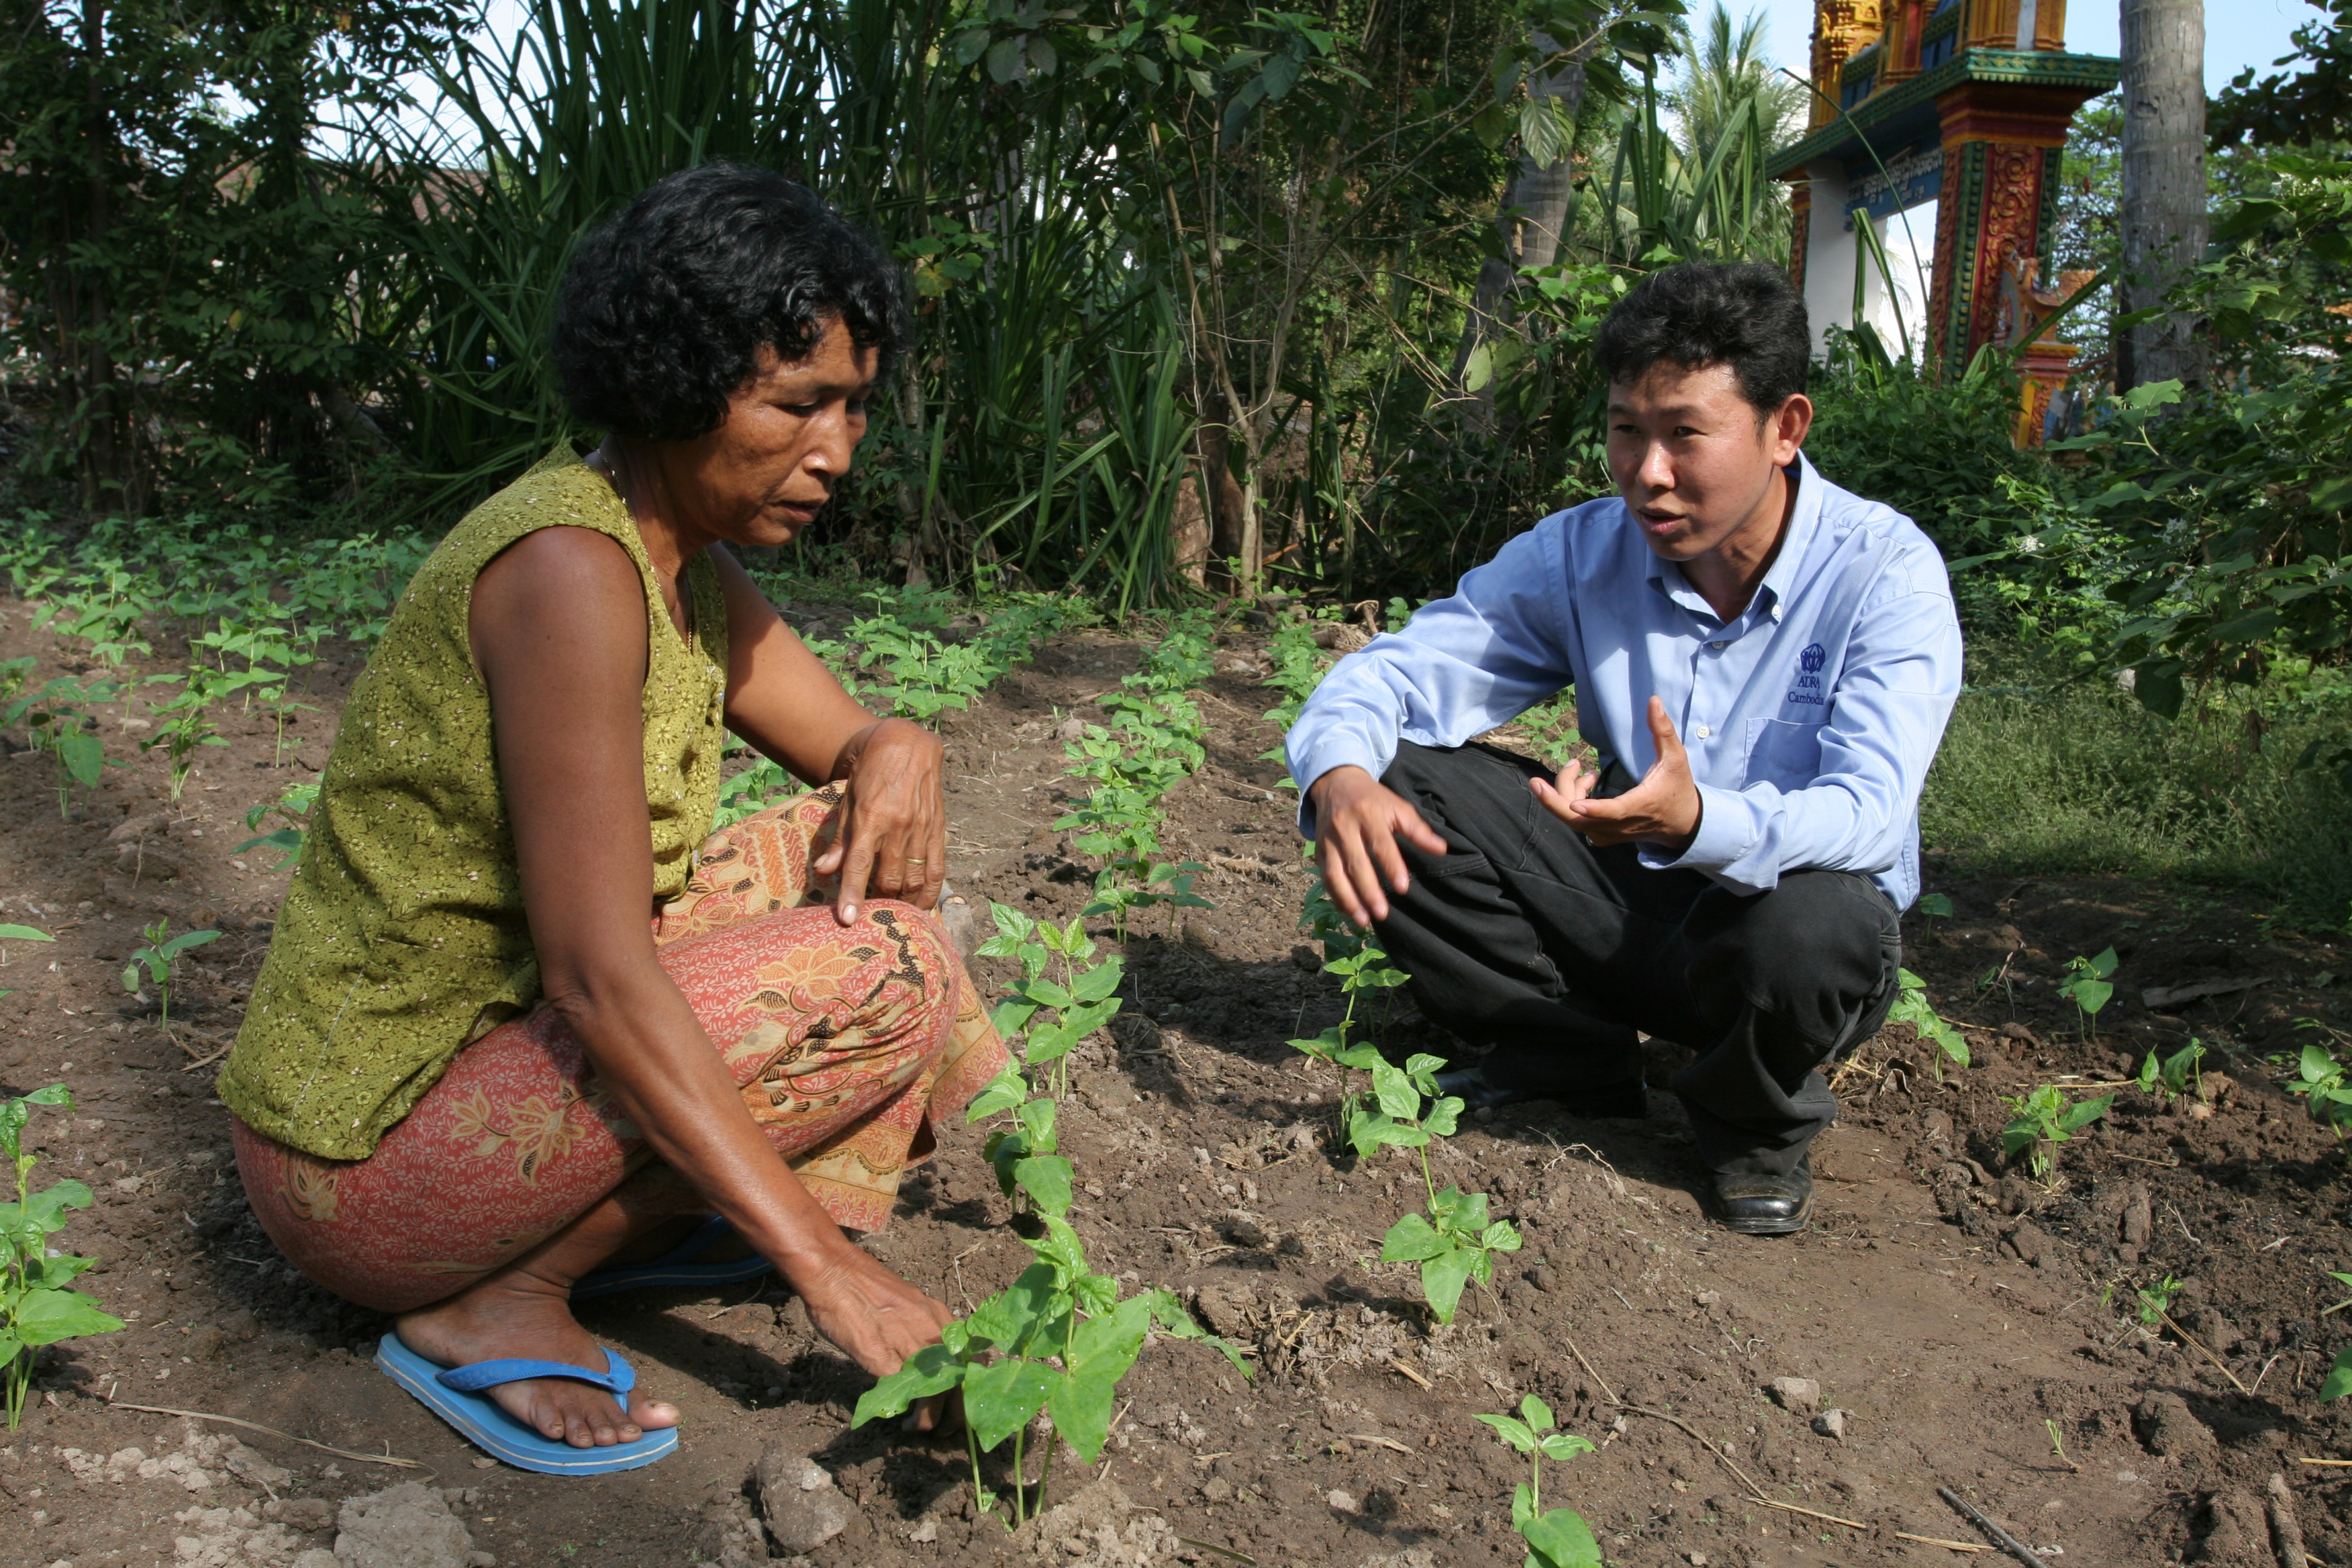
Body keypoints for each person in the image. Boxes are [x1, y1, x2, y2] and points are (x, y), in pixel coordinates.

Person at [216, 164, 1003, 1473]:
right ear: (670, 381)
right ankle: (493, 1294)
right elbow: (594, 974)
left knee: (854, 858)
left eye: (854, 407)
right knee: (888, 967)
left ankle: (627, 1217)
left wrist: (901, 742)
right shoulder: (571, 572)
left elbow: (847, 747)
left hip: (487, 1061)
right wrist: (827, 1276)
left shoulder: (678, 562)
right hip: (357, 1169)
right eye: (797, 402)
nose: (837, 451)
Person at [1285, 261, 1961, 1236]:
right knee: (1390, 779)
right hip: (1623, 896)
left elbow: (1869, 814)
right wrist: (1339, 772)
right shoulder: (1582, 553)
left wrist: (1698, 820)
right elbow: (1401, 671)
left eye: (1686, 433)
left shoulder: (1882, 574)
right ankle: (1564, 1054)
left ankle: (1750, 1116)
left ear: (1785, 428)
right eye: (1626, 430)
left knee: (1823, 926)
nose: (1648, 471)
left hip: (1776, 937)